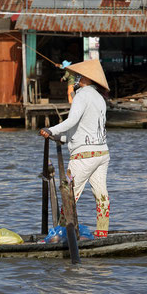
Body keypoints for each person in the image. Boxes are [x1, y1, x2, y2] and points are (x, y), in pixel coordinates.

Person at [39, 59, 111, 238]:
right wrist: (61, 137)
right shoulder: (100, 98)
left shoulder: (82, 95)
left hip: (84, 156)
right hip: (102, 153)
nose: (76, 79)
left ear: (87, 78)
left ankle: (62, 234)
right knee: (101, 194)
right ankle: (102, 232)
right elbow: (82, 127)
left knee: (68, 193)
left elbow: (71, 121)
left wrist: (50, 130)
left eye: (79, 76)